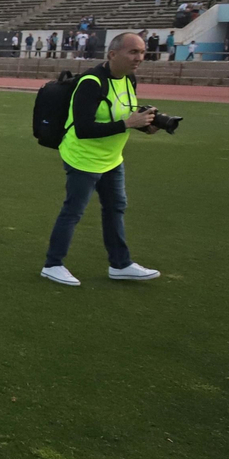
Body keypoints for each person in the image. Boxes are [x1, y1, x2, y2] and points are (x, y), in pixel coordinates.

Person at [40, 33, 162, 286]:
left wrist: (144, 125)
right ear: (112, 54)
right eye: (133, 52)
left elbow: (120, 115)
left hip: (112, 159)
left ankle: (120, 264)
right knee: (73, 211)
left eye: (142, 52)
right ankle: (52, 265)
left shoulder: (129, 79)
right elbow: (84, 129)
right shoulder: (91, 83)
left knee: (115, 208)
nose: (139, 57)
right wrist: (128, 124)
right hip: (83, 158)